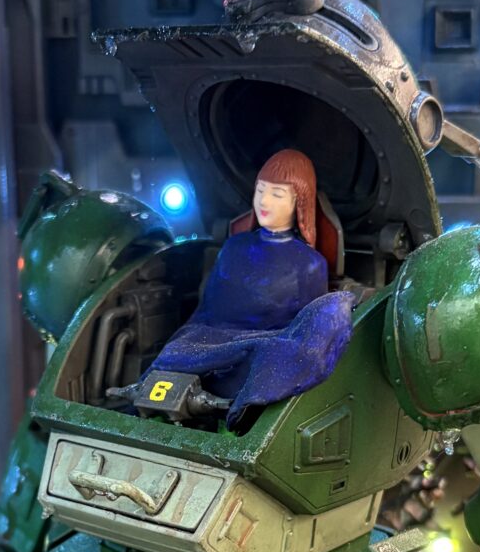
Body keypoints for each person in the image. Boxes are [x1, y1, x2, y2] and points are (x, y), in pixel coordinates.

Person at [151, 148, 354, 422]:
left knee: (275, 355)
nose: (264, 201)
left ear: (299, 202)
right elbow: (206, 311)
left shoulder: (310, 264)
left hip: (265, 346)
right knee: (179, 347)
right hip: (207, 338)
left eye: (277, 194)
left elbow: (302, 331)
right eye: (260, 190)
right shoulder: (233, 247)